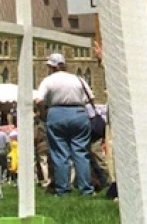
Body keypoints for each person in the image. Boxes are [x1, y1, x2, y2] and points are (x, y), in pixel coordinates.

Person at [35, 52, 95, 196]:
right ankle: (86, 189)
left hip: (57, 113)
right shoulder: (78, 79)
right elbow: (91, 98)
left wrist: (43, 114)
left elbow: (38, 100)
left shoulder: (48, 80)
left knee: (60, 154)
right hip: (79, 113)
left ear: (51, 66)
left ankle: (63, 190)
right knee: (81, 152)